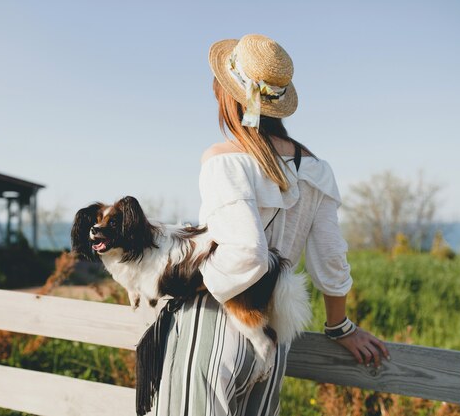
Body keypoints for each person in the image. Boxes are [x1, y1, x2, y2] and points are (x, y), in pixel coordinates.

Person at [154, 34, 389, 416]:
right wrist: (340, 326)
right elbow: (330, 258)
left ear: (227, 95)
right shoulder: (317, 170)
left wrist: (184, 278)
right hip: (273, 342)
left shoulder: (223, 159)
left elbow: (248, 254)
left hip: (214, 330)